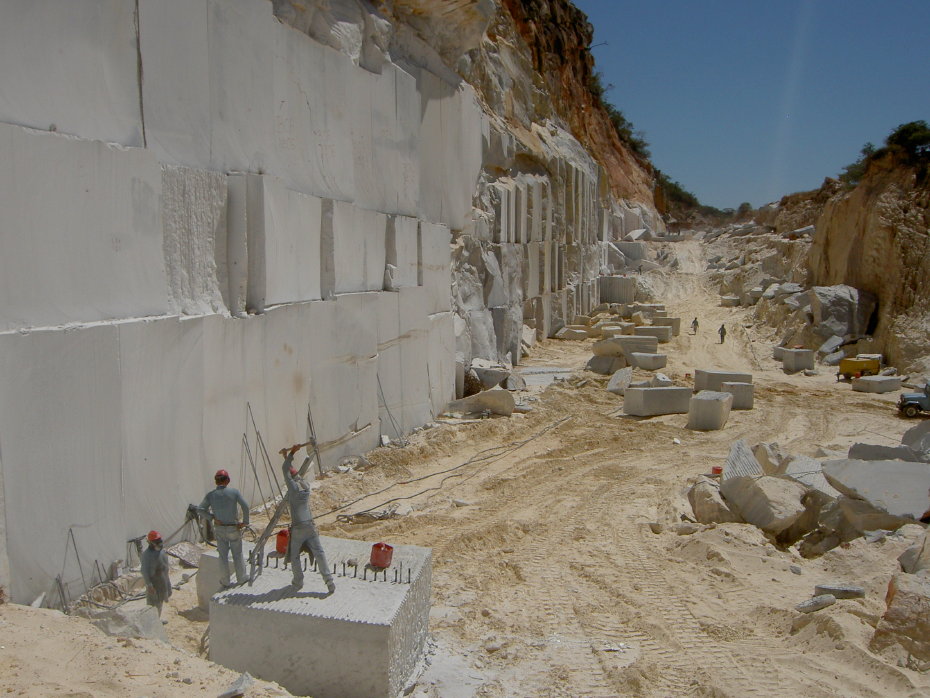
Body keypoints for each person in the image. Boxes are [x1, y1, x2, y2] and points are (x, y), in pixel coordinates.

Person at [280, 444, 335, 595]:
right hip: (310, 526)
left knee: (294, 555)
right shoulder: (305, 485)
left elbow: (285, 470)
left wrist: (292, 452)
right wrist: (287, 457)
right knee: (319, 553)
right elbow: (292, 472)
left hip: (298, 528)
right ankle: (329, 581)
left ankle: (298, 581)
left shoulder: (293, 489)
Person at [199, 469, 250, 587]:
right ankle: (241, 578)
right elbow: (245, 507)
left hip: (220, 528)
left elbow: (200, 509)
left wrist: (211, 517)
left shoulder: (211, 495)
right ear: (227, 480)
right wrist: (245, 522)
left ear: (216, 481)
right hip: (233, 528)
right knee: (237, 554)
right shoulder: (234, 492)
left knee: (223, 556)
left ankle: (225, 581)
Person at [140, 530, 171, 620]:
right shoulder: (147, 556)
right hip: (154, 583)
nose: (160, 543)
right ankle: (152, 623)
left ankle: (158, 620)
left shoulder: (161, 552)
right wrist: (149, 585)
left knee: (160, 602)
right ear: (151, 543)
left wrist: (167, 583)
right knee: (153, 605)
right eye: (157, 542)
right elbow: (144, 571)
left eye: (160, 541)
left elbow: (165, 567)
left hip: (162, 581)